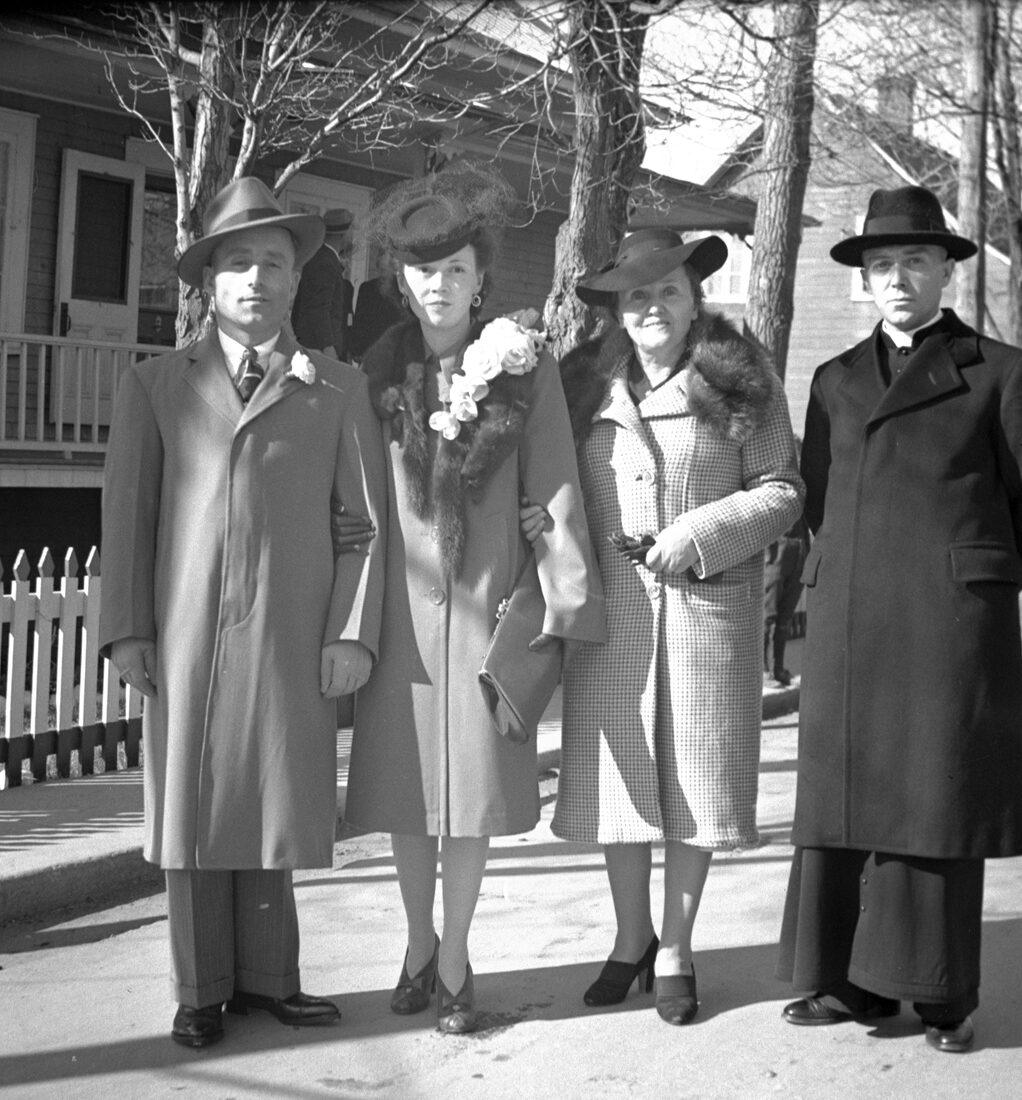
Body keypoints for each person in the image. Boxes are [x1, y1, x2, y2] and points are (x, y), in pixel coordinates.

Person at [777, 185, 1022, 1054]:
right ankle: (847, 984)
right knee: (844, 800)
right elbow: (819, 501)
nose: (897, 279)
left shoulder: (1003, 372)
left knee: (934, 802)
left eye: (913, 261)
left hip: (945, 624)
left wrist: (968, 582)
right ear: (864, 281)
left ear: (945, 271)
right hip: (849, 620)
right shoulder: (833, 381)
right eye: (880, 266)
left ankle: (940, 995)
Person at [99, 176, 388, 1050]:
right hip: (184, 634)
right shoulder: (155, 384)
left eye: (272, 263)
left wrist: (349, 632)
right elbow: (127, 519)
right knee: (192, 809)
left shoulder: (335, 387)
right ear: (208, 281)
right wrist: (128, 630)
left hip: (287, 629)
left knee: (272, 800)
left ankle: (270, 980)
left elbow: (364, 527)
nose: (255, 279)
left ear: (295, 280)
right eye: (236, 264)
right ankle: (198, 990)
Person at [343, 161, 606, 1035]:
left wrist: (552, 588)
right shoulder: (372, 377)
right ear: (401, 280)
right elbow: (355, 503)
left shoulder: (525, 371)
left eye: (456, 269)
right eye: (423, 270)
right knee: (405, 797)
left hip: (488, 612)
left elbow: (555, 487)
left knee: (470, 803)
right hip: (401, 622)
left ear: (480, 278)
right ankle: (416, 944)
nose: (440, 285)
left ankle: (454, 956)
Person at [550, 228, 804, 1027]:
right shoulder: (580, 385)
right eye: (636, 295)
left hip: (704, 608)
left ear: (695, 299)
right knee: (617, 784)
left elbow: (782, 489)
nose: (652, 306)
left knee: (694, 784)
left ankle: (676, 950)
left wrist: (696, 535)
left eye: (668, 290)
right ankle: (631, 939)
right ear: (616, 310)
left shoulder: (739, 378)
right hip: (610, 614)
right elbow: (550, 483)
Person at [291, 208, 354, 357]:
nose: (353, 235)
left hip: (315, 345)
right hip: (318, 348)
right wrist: (328, 346)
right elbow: (318, 308)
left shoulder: (324, 258)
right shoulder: (325, 262)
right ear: (343, 233)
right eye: (352, 229)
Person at [764, 511, 809, 686]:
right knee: (768, 614)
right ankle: (764, 671)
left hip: (800, 547)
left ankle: (778, 669)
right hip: (777, 548)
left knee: (786, 616)